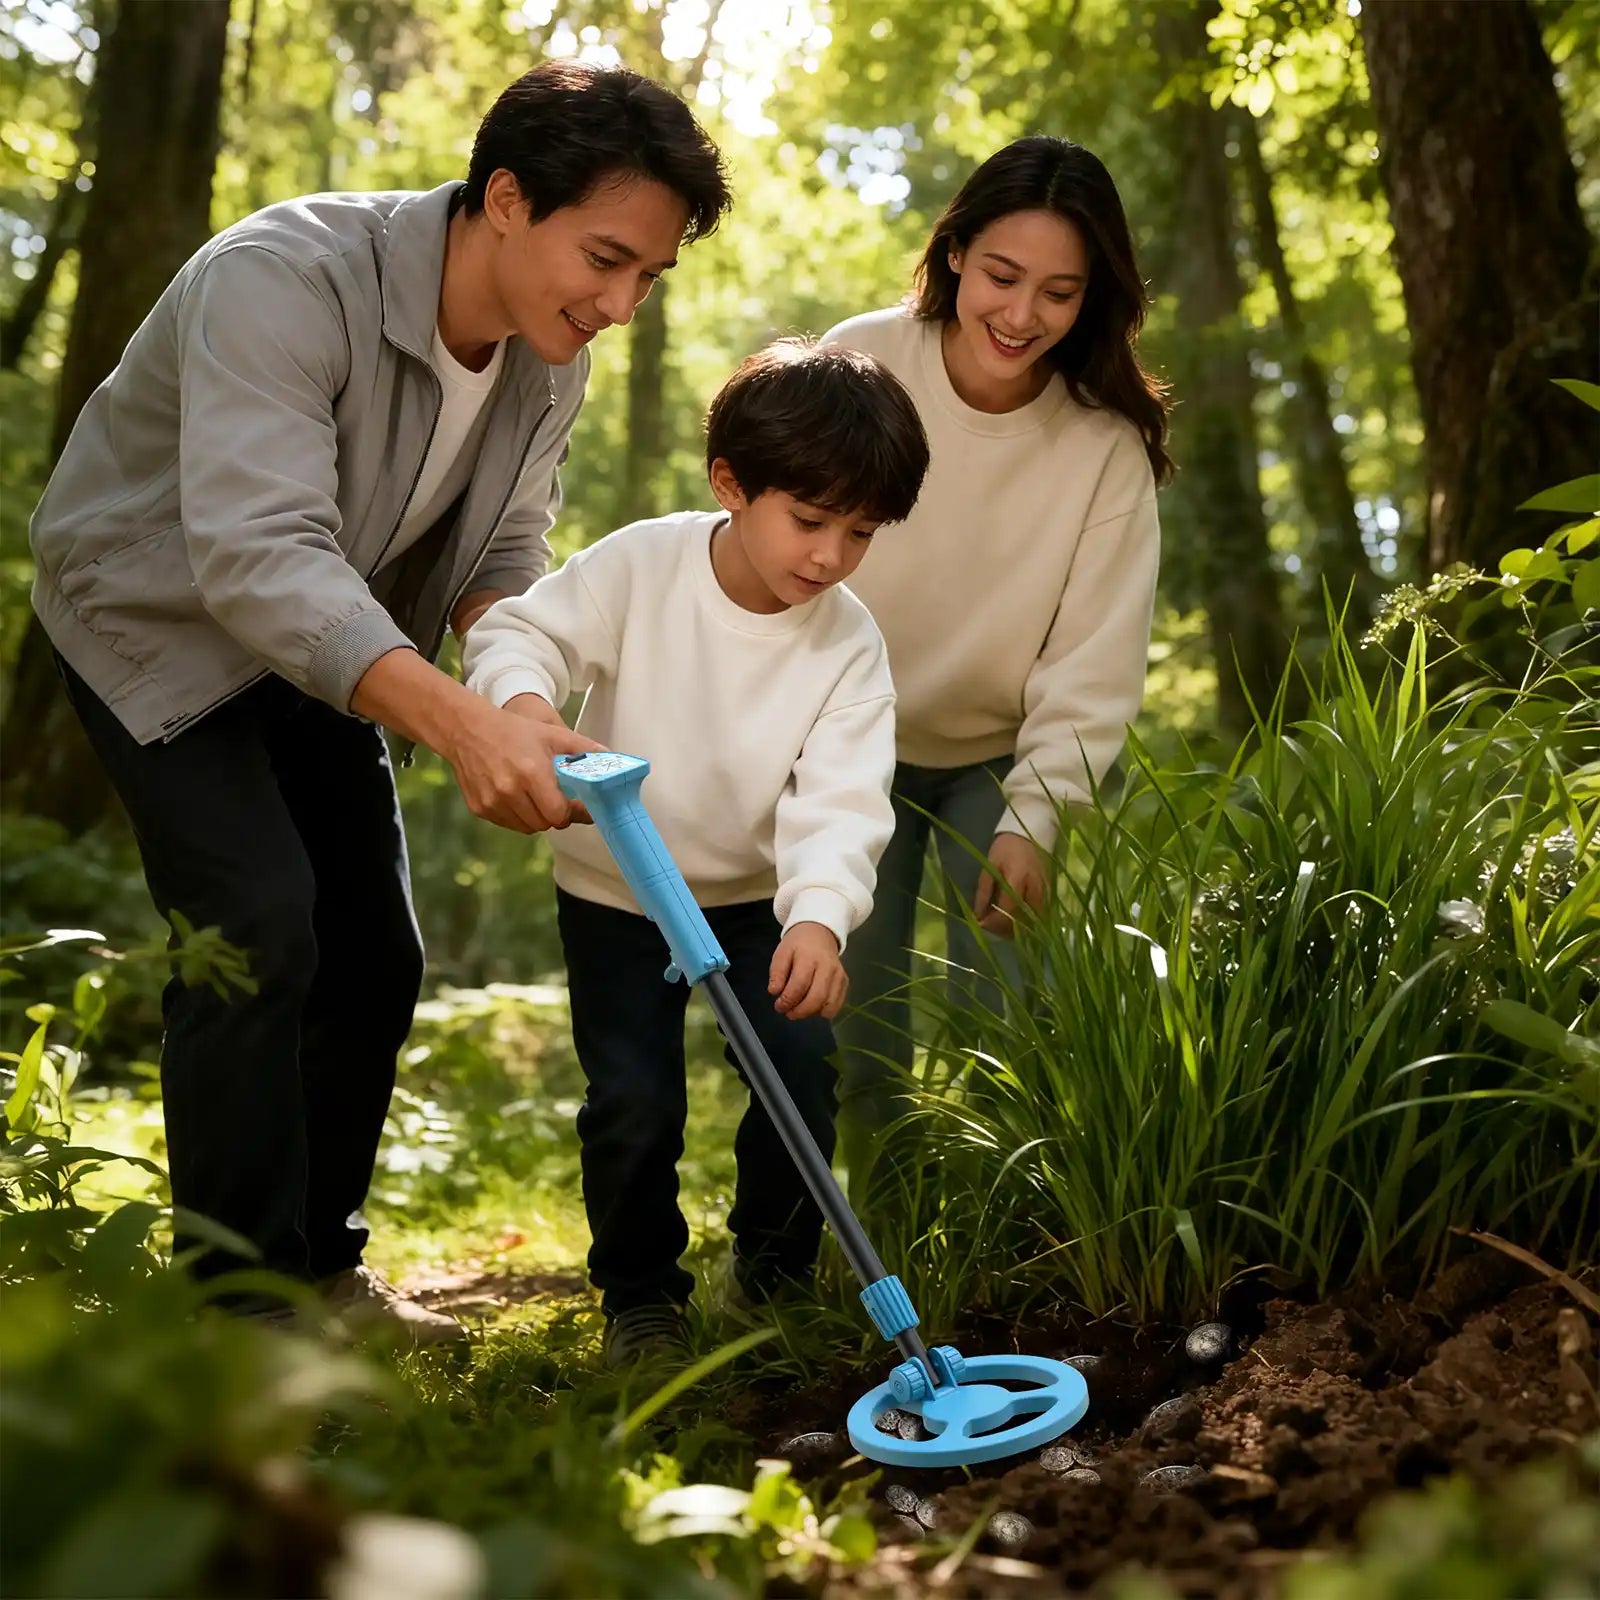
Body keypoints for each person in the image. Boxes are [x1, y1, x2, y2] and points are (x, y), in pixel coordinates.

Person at [27, 60, 730, 1341]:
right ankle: (238, 1326)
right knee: (258, 927)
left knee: (375, 952)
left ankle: (318, 1275)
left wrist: (514, 688)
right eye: (607, 257)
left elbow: (505, 558)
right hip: (158, 623)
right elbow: (255, 554)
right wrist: (458, 722)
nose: (621, 304)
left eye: (649, 278)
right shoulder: (283, 278)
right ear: (506, 198)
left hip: (333, 636)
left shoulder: (546, 352)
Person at [462, 340, 929, 1365]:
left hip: (759, 898)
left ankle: (773, 1274)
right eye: (809, 521)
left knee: (799, 1070)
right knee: (633, 1099)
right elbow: (517, 636)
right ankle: (640, 1297)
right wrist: (529, 709)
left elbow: (843, 796)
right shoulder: (643, 566)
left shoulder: (847, 644)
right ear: (730, 482)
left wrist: (816, 913)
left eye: (860, 533)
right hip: (618, 888)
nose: (830, 557)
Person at [820, 136, 1173, 1189]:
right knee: (855, 1027)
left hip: (999, 761)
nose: (1021, 316)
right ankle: (881, 1259)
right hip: (847, 749)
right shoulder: (860, 364)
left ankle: (1000, 1246)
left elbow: (1094, 654)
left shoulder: (1102, 446)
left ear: (1092, 298)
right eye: (1004, 277)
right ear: (958, 252)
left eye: (1058, 292)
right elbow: (773, 563)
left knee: (1003, 1020)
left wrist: (1037, 815)